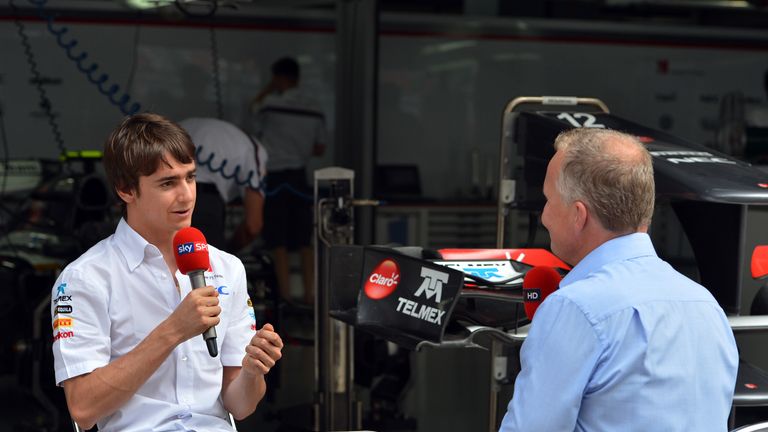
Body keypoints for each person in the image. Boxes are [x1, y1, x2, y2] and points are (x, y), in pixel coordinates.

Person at [50, 113, 283, 431]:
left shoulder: (228, 268)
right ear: (126, 190)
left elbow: (240, 406)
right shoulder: (86, 277)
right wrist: (173, 331)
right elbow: (83, 407)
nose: (186, 195)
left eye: (190, 177)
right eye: (167, 183)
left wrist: (253, 370)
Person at [499, 128, 738, 431]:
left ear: (578, 215)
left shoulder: (574, 308)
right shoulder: (707, 306)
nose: (544, 216)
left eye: (548, 201)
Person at [249, 56, 327, 304]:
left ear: (278, 78)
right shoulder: (315, 107)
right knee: (304, 240)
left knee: (278, 239)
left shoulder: (270, 104)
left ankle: (284, 297)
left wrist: (266, 91)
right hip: (299, 176)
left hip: (274, 178)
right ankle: (309, 295)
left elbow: (251, 120)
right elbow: (320, 148)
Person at [179, 117, 267, 252]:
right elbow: (253, 225)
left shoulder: (179, 128)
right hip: (204, 203)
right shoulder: (252, 148)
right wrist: (229, 253)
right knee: (207, 268)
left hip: (158, 200)